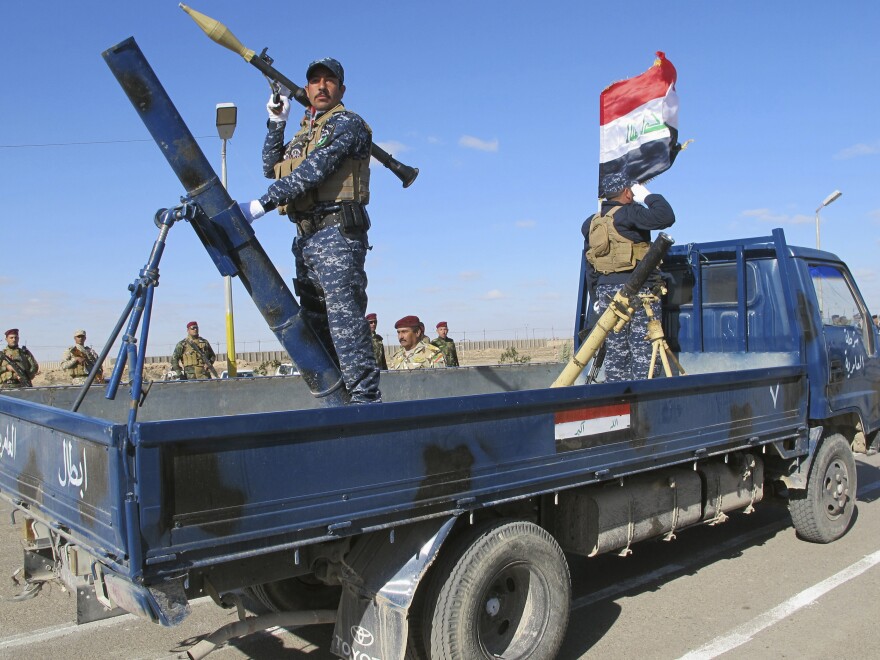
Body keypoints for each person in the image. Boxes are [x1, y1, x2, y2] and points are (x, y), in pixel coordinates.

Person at [238, 57, 380, 404]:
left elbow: (314, 171)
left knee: (344, 320)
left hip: (337, 235)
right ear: (306, 88)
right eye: (314, 80)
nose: (321, 85)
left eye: (329, 80)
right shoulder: (305, 133)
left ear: (340, 89)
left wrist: (260, 205)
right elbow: (273, 168)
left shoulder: (348, 124)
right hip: (306, 238)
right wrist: (277, 122)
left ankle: (365, 402)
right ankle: (336, 402)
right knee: (316, 325)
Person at [582, 173, 675, 382]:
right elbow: (666, 217)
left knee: (616, 353)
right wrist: (647, 195)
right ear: (627, 192)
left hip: (607, 293)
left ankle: (618, 402)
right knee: (644, 351)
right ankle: (642, 402)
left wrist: (595, 296)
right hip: (638, 290)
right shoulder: (630, 213)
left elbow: (590, 263)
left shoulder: (591, 223)